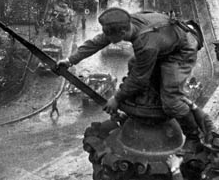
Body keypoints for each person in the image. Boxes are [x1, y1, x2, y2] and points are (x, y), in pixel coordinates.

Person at [56, 8, 203, 144]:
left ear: (121, 32)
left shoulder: (145, 45)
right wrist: (70, 60)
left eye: (109, 35)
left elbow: (139, 78)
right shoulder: (126, 23)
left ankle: (194, 136)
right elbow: (98, 41)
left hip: (182, 50)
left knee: (171, 101)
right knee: (134, 63)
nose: (106, 38)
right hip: (167, 41)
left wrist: (117, 98)